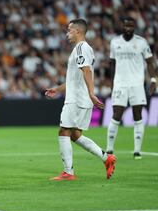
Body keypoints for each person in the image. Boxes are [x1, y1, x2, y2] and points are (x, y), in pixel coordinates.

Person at [45, 19, 116, 181]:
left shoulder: (82, 48)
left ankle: (68, 172)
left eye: (69, 30)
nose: (67, 33)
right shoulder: (82, 49)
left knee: (63, 130)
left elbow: (86, 71)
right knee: (75, 134)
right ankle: (107, 158)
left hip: (77, 98)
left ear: (78, 31)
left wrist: (92, 93)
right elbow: (75, 77)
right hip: (79, 96)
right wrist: (58, 89)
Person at [106, 17, 157, 159]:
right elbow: (112, 64)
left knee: (138, 115)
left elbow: (150, 62)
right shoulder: (115, 42)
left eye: (131, 26)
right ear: (121, 26)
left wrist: (153, 80)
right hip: (120, 84)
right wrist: (112, 84)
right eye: (126, 25)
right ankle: (109, 149)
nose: (128, 28)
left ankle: (137, 151)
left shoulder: (141, 42)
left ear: (134, 27)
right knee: (116, 115)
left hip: (137, 84)